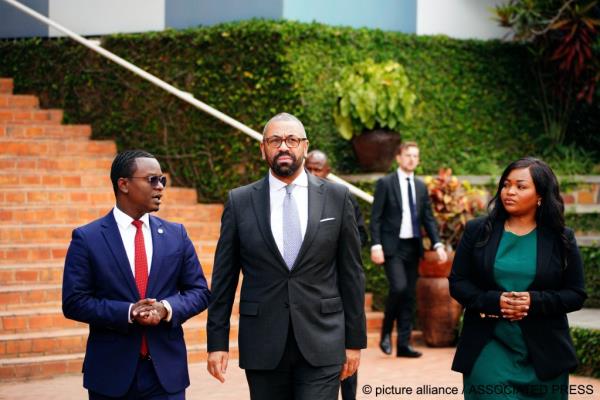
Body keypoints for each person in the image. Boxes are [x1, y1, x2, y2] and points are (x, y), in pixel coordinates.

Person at [207, 113, 367, 400]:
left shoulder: (338, 198)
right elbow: (224, 279)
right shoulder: (239, 201)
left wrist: (354, 342)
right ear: (263, 148)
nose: (284, 147)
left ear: (304, 146)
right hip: (263, 343)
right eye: (275, 140)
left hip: (324, 340)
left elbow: (352, 274)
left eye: (292, 140)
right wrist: (216, 342)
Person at [62, 150, 211, 400]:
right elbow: (74, 302)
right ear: (124, 185)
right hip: (111, 375)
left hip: (166, 376)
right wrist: (128, 312)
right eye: (152, 180)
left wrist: (166, 308)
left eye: (162, 180)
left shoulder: (177, 235)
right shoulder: (87, 238)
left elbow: (199, 291)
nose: (160, 187)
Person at [449, 157, 587, 399]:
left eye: (520, 186)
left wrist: (533, 302)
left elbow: (576, 293)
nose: (509, 191)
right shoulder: (477, 230)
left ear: (540, 195)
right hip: (488, 345)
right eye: (505, 184)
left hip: (545, 355)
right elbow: (458, 283)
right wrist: (495, 301)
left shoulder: (561, 238)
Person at [370, 141, 447, 358]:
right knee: (399, 288)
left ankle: (403, 345)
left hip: (413, 247)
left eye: (415, 156)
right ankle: (386, 332)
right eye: (408, 155)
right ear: (398, 158)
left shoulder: (421, 186)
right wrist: (376, 245)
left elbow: (428, 219)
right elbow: (375, 218)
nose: (412, 159)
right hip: (392, 246)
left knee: (409, 296)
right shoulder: (385, 183)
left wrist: (438, 244)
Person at [305, 149, 367, 400]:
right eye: (309, 167)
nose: (313, 173)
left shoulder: (342, 197)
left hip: (340, 284)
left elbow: (361, 235)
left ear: (328, 171)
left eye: (318, 168)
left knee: (347, 354)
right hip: (313, 292)